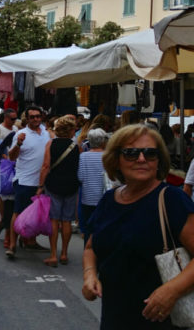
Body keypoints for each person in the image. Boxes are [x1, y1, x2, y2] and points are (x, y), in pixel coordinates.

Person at [82, 124, 194, 329]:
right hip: (114, 318)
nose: (142, 159)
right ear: (116, 160)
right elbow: (91, 247)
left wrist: (171, 290)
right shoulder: (109, 200)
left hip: (162, 320)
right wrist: (89, 274)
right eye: (131, 153)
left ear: (159, 160)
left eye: (150, 153)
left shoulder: (172, 200)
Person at [6, 106, 51, 258]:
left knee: (36, 215)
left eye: (38, 116)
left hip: (41, 182)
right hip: (24, 181)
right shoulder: (21, 134)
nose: (36, 119)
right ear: (27, 118)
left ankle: (30, 241)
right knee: (18, 213)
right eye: (32, 117)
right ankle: (12, 244)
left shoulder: (46, 133)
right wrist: (18, 144)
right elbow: (11, 157)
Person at [38, 116, 80, 266]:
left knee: (54, 220)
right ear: (70, 131)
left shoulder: (51, 144)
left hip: (54, 184)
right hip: (71, 185)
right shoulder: (76, 146)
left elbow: (46, 166)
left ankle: (54, 254)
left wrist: (40, 186)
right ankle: (64, 253)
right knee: (67, 220)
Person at [77, 128, 109, 240]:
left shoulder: (83, 156)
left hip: (87, 197)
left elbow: (80, 177)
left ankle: (87, 249)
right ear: (103, 141)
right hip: (104, 197)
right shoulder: (107, 156)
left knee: (88, 227)